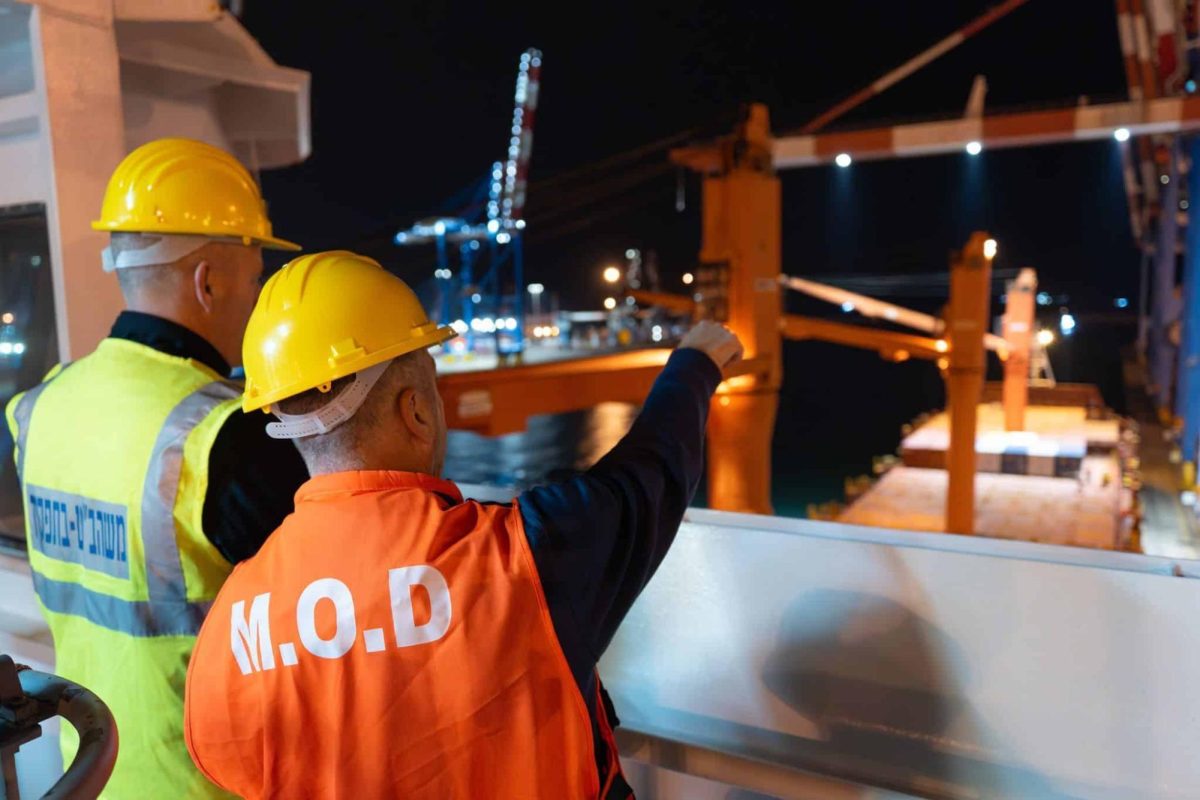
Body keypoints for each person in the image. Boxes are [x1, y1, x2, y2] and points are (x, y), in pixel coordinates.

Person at [184, 251, 743, 799]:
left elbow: (226, 763)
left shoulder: (234, 617)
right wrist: (694, 364)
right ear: (416, 411)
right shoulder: (522, 557)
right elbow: (650, 475)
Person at [5, 138, 309, 798]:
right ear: (208, 282)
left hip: (90, 768)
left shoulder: (38, 407)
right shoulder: (226, 436)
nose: (254, 301)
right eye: (254, 280)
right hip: (206, 784)